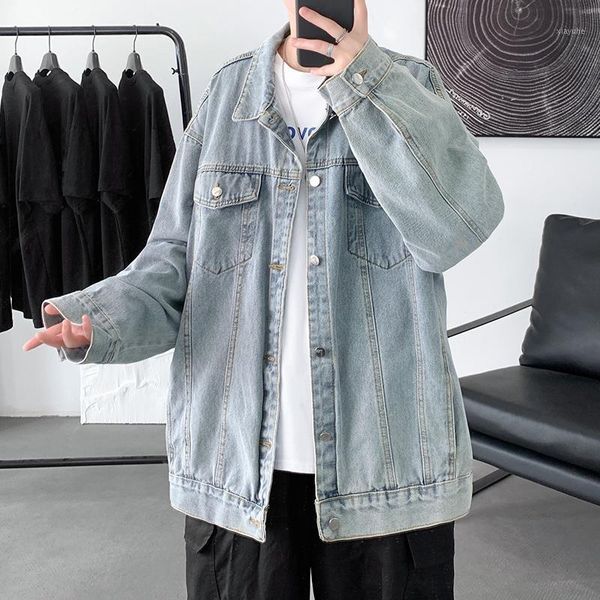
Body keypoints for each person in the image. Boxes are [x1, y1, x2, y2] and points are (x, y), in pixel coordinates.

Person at [24, 1, 505, 598]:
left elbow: (458, 228)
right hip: (236, 465)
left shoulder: (409, 86)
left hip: (386, 468)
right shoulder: (229, 95)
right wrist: (102, 320)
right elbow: (175, 257)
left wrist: (364, 77)